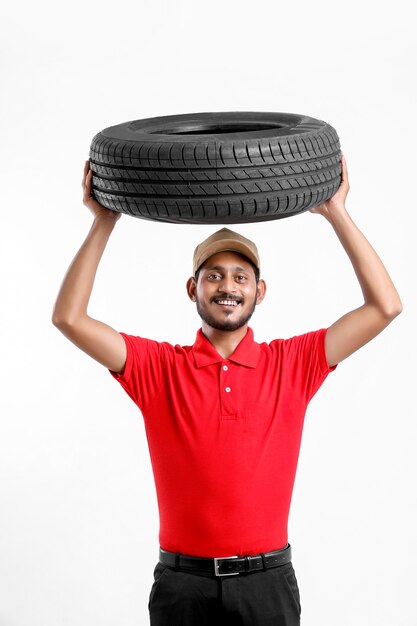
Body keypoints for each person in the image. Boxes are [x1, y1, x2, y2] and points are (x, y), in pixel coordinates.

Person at [52, 154, 402, 626]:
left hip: (267, 584)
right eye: (214, 276)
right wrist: (104, 220)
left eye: (241, 277)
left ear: (260, 291)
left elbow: (385, 306)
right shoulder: (159, 367)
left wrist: (336, 210)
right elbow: (69, 319)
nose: (227, 287)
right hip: (182, 586)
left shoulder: (291, 363)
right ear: (192, 288)